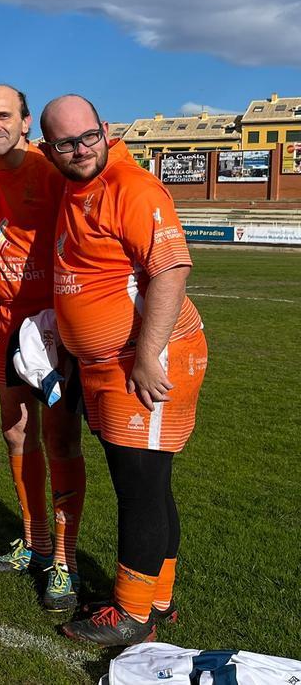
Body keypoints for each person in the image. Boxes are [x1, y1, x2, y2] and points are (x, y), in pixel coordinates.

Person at [42, 95, 207, 647]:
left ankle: (132, 613)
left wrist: (147, 354)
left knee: (139, 486)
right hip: (109, 365)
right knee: (148, 484)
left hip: (146, 361)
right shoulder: (74, 182)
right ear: (50, 149)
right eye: (65, 143)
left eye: (88, 136)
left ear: (106, 130)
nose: (80, 150)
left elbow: (170, 269)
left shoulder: (130, 186)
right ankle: (156, 600)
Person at [0, 85, 86, 612]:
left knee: (61, 437)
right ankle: (36, 541)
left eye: (3, 116)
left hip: (55, 321)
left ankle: (65, 558)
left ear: (23, 123)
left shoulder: (51, 170)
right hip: (3, 318)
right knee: (15, 429)